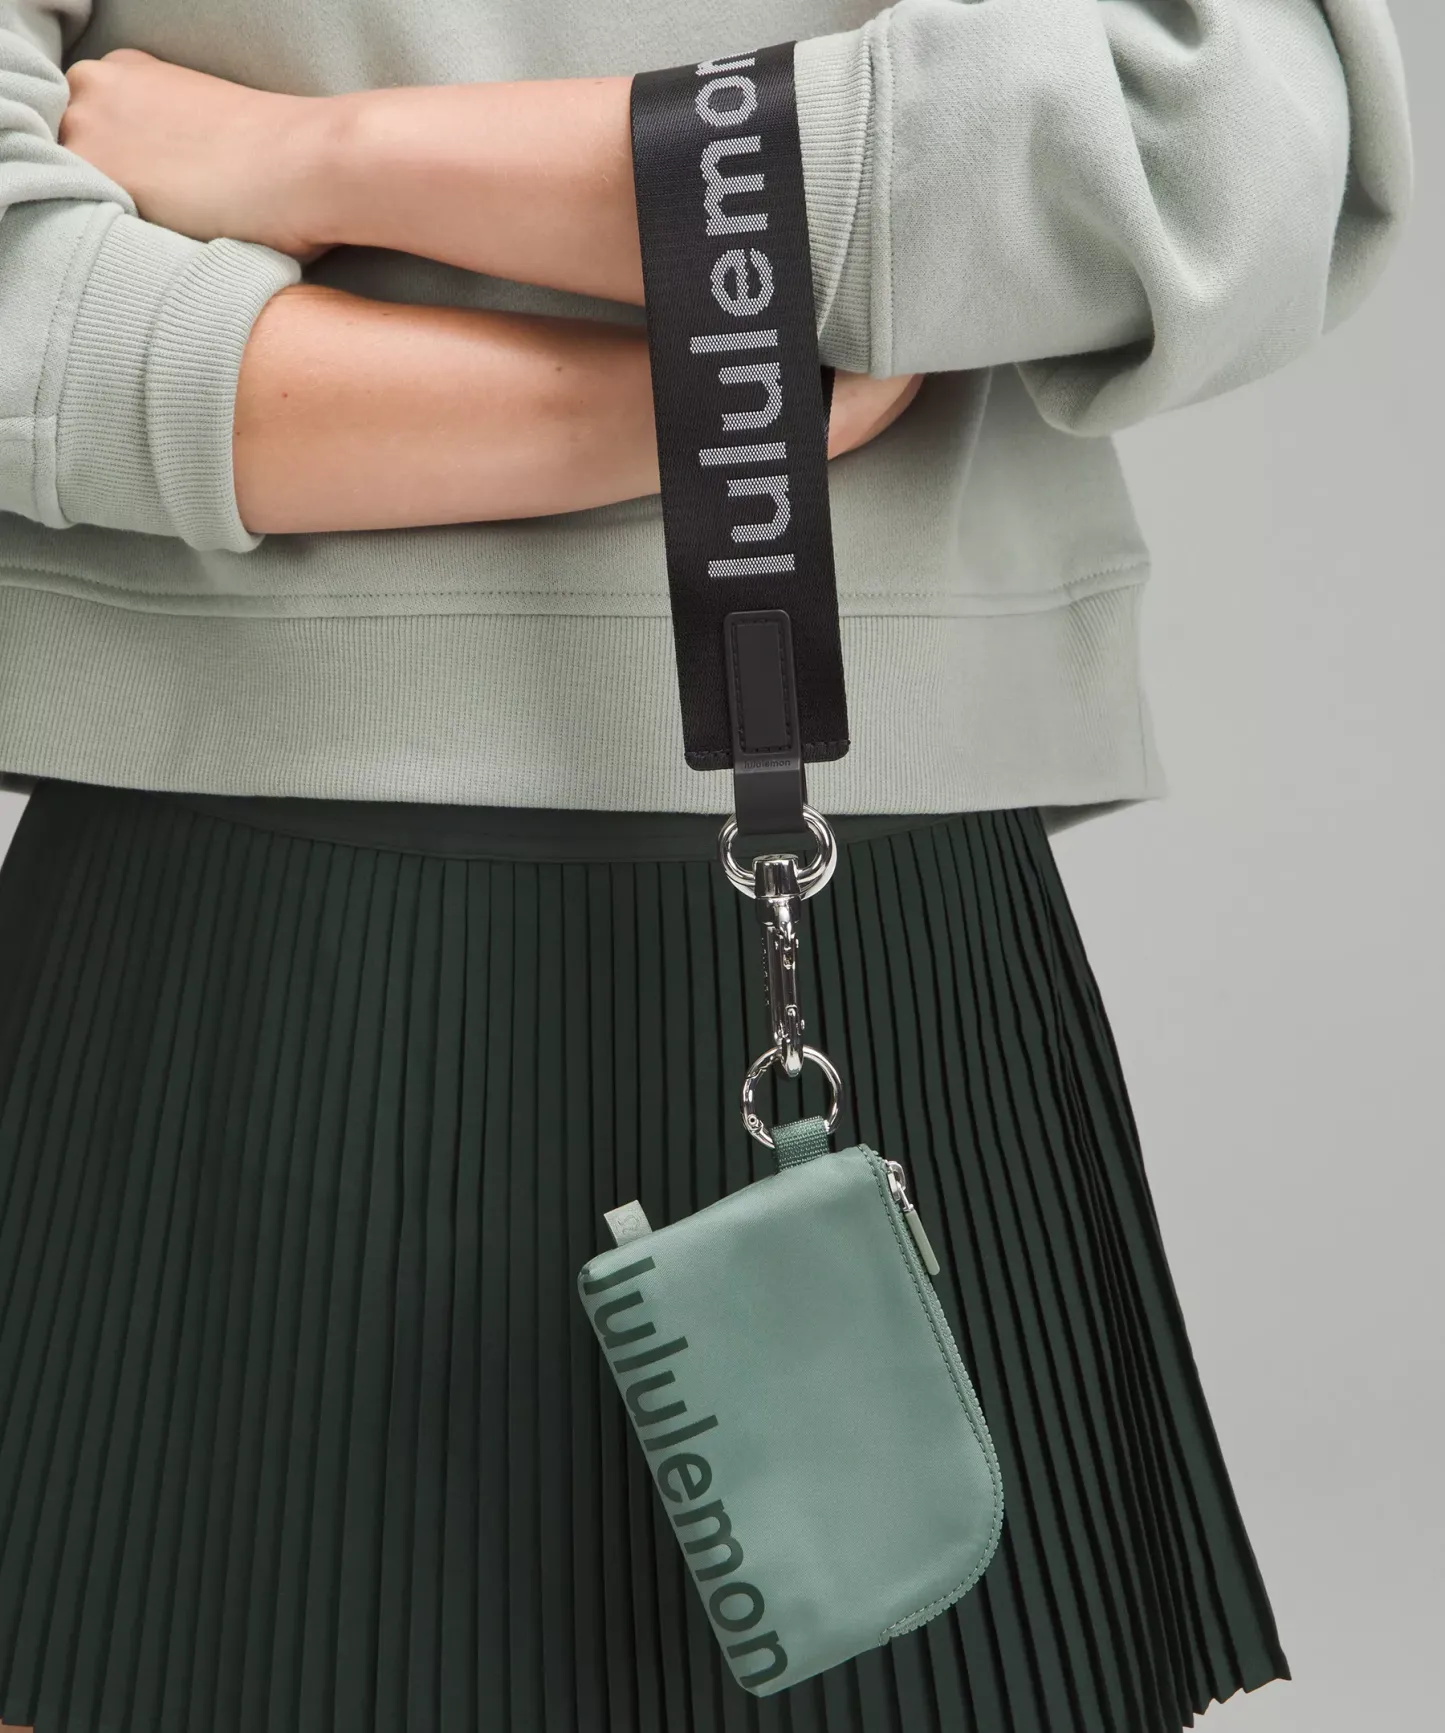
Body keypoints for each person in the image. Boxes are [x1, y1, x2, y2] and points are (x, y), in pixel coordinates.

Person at [0, 3, 1410, 1731]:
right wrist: (728, 400)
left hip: (771, 936)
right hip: (231, 960)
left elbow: (1204, 150)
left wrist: (318, 160)